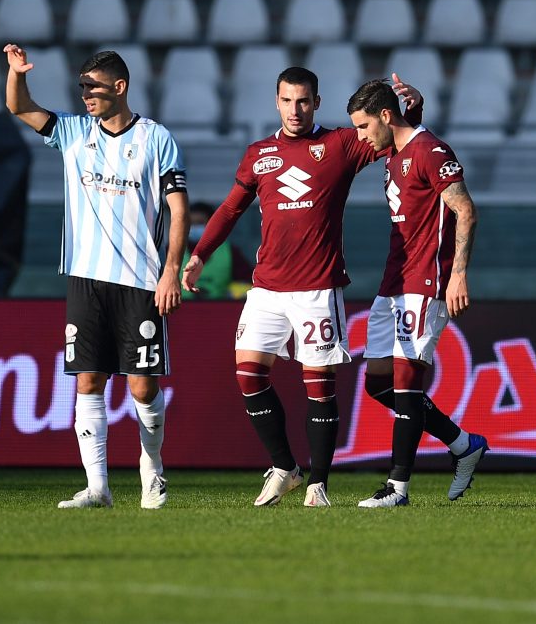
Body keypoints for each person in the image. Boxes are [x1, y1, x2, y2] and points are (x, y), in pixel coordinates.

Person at [183, 66, 460, 507]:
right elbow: (232, 208)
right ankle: (284, 467)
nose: (296, 109)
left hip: (317, 287)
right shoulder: (259, 154)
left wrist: (415, 107)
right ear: (276, 102)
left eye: (304, 101)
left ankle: (318, 483)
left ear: (317, 102)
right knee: (248, 375)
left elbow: (395, 134)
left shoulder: (342, 143)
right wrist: (199, 254)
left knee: (320, 386)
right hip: (267, 287)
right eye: (288, 100)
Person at [4, 44, 190, 510]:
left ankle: (153, 474)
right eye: (81, 87)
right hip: (85, 278)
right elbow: (19, 107)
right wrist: (17, 74)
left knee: (141, 386)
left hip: (140, 282)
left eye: (93, 87)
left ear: (120, 87)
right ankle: (98, 487)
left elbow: (179, 210)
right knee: (88, 380)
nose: (85, 95)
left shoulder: (155, 138)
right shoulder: (72, 133)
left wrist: (170, 273)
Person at [346, 79, 488, 508]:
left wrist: (458, 274)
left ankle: (397, 488)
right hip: (394, 281)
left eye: (364, 126)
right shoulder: (399, 148)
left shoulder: (431, 151)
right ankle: (463, 443)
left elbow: (465, 209)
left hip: (426, 281)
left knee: (407, 385)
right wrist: (415, 112)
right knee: (377, 385)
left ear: (386, 117)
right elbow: (409, 149)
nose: (361, 137)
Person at [180, 201, 253, 300]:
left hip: (218, 310)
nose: (195, 227)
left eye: (200, 223)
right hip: (180, 311)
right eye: (191, 223)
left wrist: (234, 293)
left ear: (212, 224)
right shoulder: (173, 251)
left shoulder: (229, 252)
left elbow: (249, 280)